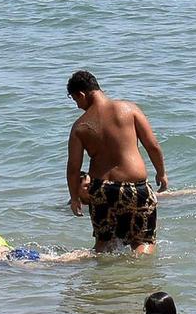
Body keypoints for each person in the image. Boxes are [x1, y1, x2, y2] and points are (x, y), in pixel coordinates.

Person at [65, 70, 167, 253]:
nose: (78, 106)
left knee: (104, 245)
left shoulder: (79, 126)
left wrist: (74, 198)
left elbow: (73, 168)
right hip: (135, 188)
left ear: (81, 94)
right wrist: (161, 173)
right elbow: (152, 146)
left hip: (101, 190)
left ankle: (104, 272)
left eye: (75, 100)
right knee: (142, 241)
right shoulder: (130, 109)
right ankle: (139, 269)